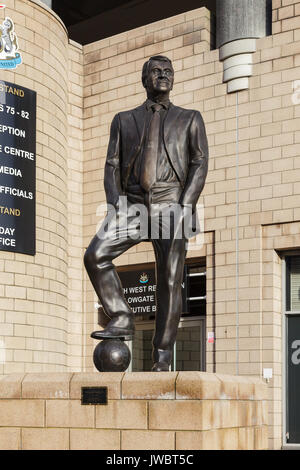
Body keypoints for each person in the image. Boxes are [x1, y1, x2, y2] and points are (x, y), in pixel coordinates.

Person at [84, 55, 208, 371]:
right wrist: (116, 203)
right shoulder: (123, 120)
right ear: (145, 79)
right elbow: (111, 164)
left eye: (168, 71)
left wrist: (185, 205)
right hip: (133, 207)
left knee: (168, 281)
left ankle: (162, 356)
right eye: (156, 71)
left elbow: (199, 162)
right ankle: (122, 315)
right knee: (95, 255)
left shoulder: (190, 118)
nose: (162, 75)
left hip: (172, 207)